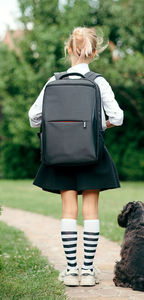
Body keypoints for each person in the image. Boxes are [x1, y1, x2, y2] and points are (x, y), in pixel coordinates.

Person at [28, 26, 124, 287]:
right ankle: (89, 271)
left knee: (68, 212)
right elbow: (117, 117)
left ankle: (71, 272)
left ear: (68, 49)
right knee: (90, 212)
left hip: (59, 155)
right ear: (93, 54)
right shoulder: (97, 81)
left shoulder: (53, 81)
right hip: (91, 153)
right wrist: (97, 127)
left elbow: (34, 117)